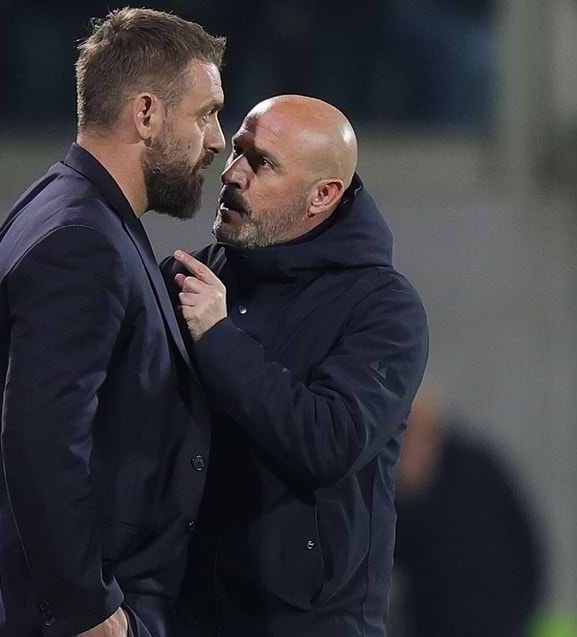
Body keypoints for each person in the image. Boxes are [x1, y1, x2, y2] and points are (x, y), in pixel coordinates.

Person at [0, 8, 226, 637]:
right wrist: (85, 606)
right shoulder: (84, 240)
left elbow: (33, 413)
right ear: (146, 114)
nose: (217, 141)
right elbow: (43, 442)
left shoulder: (59, 207)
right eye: (205, 113)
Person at [163, 94, 429, 636]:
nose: (231, 174)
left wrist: (219, 339)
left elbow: (330, 441)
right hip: (183, 615)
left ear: (322, 196)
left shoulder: (383, 309)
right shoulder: (194, 279)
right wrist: (9, 430)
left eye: (261, 163)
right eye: (237, 151)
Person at [391, 382, 544, 637]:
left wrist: (520, 614)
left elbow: (525, 540)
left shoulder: (476, 466)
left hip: (497, 623)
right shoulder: (396, 486)